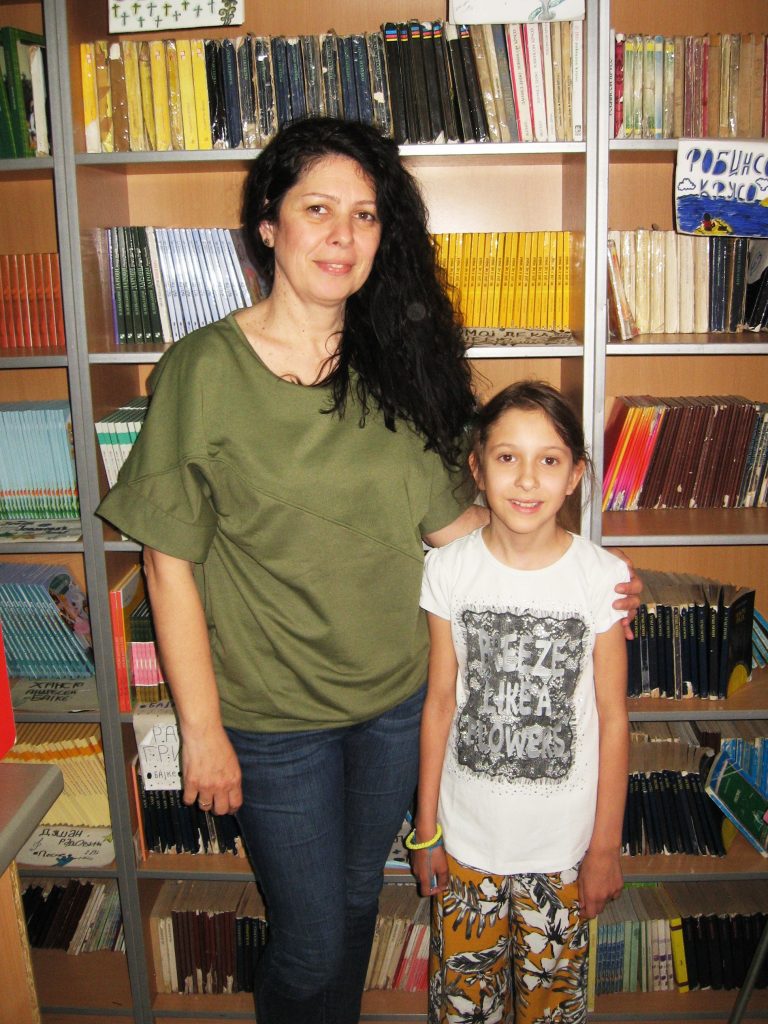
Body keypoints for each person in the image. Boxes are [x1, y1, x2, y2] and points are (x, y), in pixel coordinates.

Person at [97, 118, 639, 1024]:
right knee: (309, 940)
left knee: (355, 906)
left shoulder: (398, 366)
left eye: (365, 215)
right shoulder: (203, 370)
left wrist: (586, 574)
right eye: (318, 209)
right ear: (268, 224)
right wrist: (202, 730)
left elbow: (464, 527)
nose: (342, 236)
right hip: (275, 720)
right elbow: (167, 561)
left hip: (397, 706)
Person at [410, 381, 630, 1024]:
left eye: (549, 459)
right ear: (477, 469)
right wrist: (426, 830)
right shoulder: (447, 569)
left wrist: (605, 848)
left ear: (576, 475)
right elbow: (440, 703)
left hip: (564, 852)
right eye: (507, 457)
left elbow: (614, 719)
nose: (527, 479)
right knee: (465, 1010)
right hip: (466, 847)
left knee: (551, 1011)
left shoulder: (603, 579)